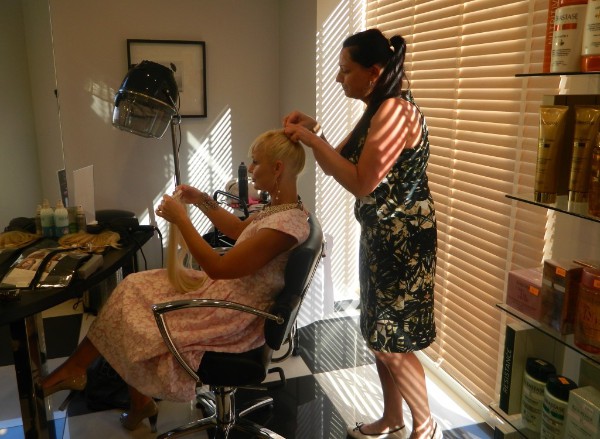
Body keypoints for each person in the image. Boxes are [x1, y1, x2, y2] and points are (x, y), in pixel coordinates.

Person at [41, 129, 309, 432]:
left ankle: (104, 381)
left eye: (256, 162)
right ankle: (124, 391)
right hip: (228, 291)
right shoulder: (283, 209)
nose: (250, 168)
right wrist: (200, 199)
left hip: (233, 314)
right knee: (134, 285)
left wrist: (182, 219)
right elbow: (237, 230)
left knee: (138, 311)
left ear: (277, 168)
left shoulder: (283, 227)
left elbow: (217, 267)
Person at [283, 29, 440, 439]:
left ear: (374, 72)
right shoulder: (378, 109)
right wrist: (314, 133)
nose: (339, 78)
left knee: (392, 340)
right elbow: (336, 162)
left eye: (345, 70)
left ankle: (426, 425)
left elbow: (361, 182)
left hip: (404, 243)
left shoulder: (395, 112)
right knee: (377, 335)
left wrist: (312, 139)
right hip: (381, 236)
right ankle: (393, 417)